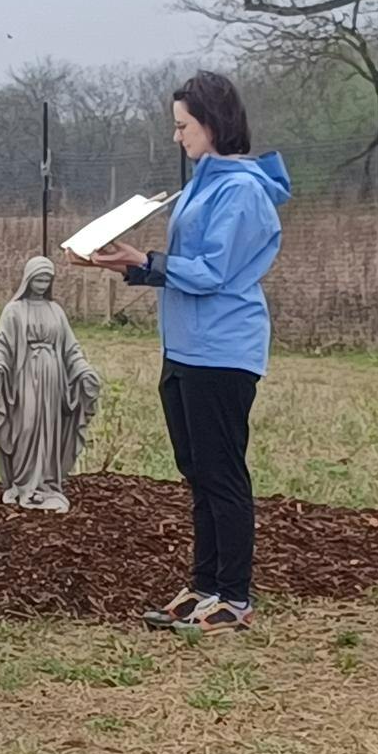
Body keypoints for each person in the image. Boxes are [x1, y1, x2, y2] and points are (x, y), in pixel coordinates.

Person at [86, 71, 289, 635]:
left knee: (223, 473)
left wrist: (145, 262)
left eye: (183, 126)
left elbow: (213, 272)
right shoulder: (206, 178)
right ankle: (205, 586)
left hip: (223, 351)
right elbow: (185, 268)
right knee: (196, 470)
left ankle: (235, 597)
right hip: (185, 348)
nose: (177, 137)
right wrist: (128, 263)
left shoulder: (242, 190)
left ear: (213, 124)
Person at [0, 255, 100, 512]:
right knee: (26, 426)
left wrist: (83, 370)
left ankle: (48, 484)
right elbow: (0, 343)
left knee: (50, 431)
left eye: (47, 279)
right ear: (28, 279)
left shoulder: (55, 311)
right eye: (38, 278)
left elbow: (71, 349)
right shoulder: (14, 310)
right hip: (25, 377)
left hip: (53, 379)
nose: (42, 283)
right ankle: (24, 482)